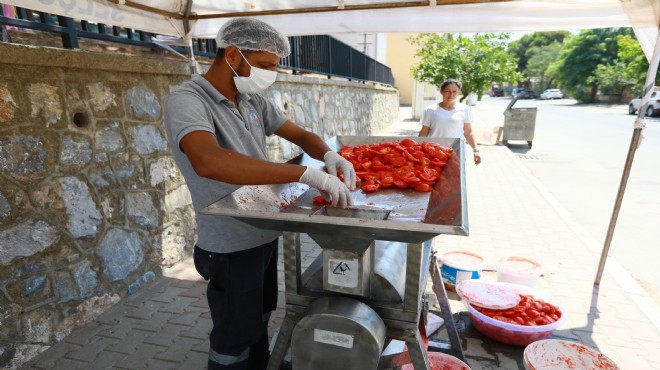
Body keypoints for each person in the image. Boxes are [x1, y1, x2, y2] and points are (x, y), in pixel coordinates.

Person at [163, 18, 356, 370]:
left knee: (261, 317)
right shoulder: (187, 101)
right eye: (265, 65)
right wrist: (305, 174)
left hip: (263, 233)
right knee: (233, 336)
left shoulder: (251, 100)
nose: (271, 74)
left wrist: (328, 155)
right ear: (234, 56)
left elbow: (300, 135)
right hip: (228, 245)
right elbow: (208, 161)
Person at [418, 79, 482, 165]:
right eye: (447, 91)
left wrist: (476, 150)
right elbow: (424, 132)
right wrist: (419, 150)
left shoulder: (465, 109)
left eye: (454, 91)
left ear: (458, 92)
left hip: (456, 152)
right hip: (433, 152)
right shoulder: (430, 110)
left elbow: (468, 132)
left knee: (456, 177)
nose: (451, 95)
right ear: (441, 91)